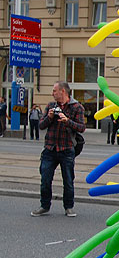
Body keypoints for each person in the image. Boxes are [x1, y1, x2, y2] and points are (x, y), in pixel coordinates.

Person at [31, 81, 86, 218]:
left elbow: (81, 128)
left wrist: (67, 121)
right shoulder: (51, 106)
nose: (52, 94)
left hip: (66, 148)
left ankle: (68, 207)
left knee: (68, 180)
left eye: (54, 91)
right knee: (45, 179)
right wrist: (49, 117)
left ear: (63, 91)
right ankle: (44, 206)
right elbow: (41, 126)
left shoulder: (77, 107)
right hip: (50, 148)